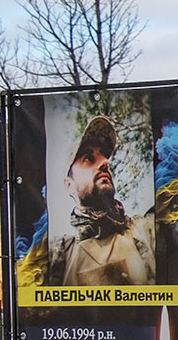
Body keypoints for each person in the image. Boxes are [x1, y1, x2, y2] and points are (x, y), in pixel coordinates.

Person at [46, 115, 157, 286]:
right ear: (69, 185)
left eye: (104, 156)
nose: (105, 162)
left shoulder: (146, 231)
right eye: (88, 159)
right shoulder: (56, 256)